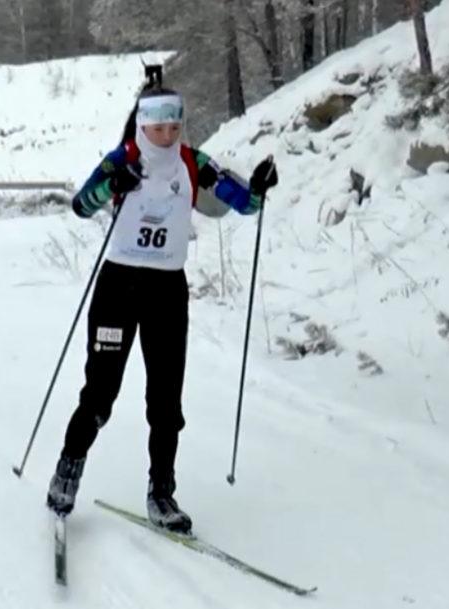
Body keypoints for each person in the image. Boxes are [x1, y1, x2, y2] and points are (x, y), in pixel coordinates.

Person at [45, 77, 279, 534]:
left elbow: (242, 203)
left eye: (175, 127)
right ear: (143, 126)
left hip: (167, 290)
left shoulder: (194, 163)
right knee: (100, 395)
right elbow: (81, 205)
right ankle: (67, 471)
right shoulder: (123, 160)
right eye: (160, 129)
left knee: (166, 399)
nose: (169, 136)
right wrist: (113, 184)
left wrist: (258, 188)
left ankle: (162, 493)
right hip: (118, 287)